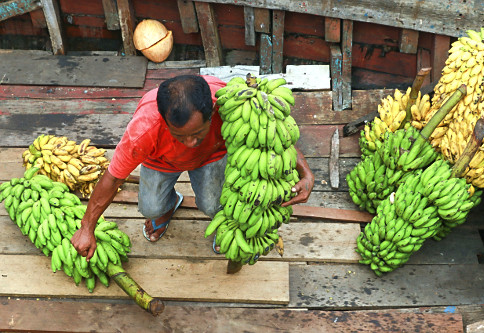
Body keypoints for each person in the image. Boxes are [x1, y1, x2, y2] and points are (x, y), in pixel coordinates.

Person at [71, 74, 314, 260]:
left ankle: (226, 225)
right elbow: (112, 178)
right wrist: (86, 227)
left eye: (197, 133)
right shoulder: (144, 130)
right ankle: (169, 205)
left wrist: (305, 171)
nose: (190, 142)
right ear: (165, 121)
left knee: (213, 206)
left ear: (211, 113)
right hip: (161, 160)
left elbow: (274, 135)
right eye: (180, 135)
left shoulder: (230, 103)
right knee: (150, 208)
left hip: (211, 155)